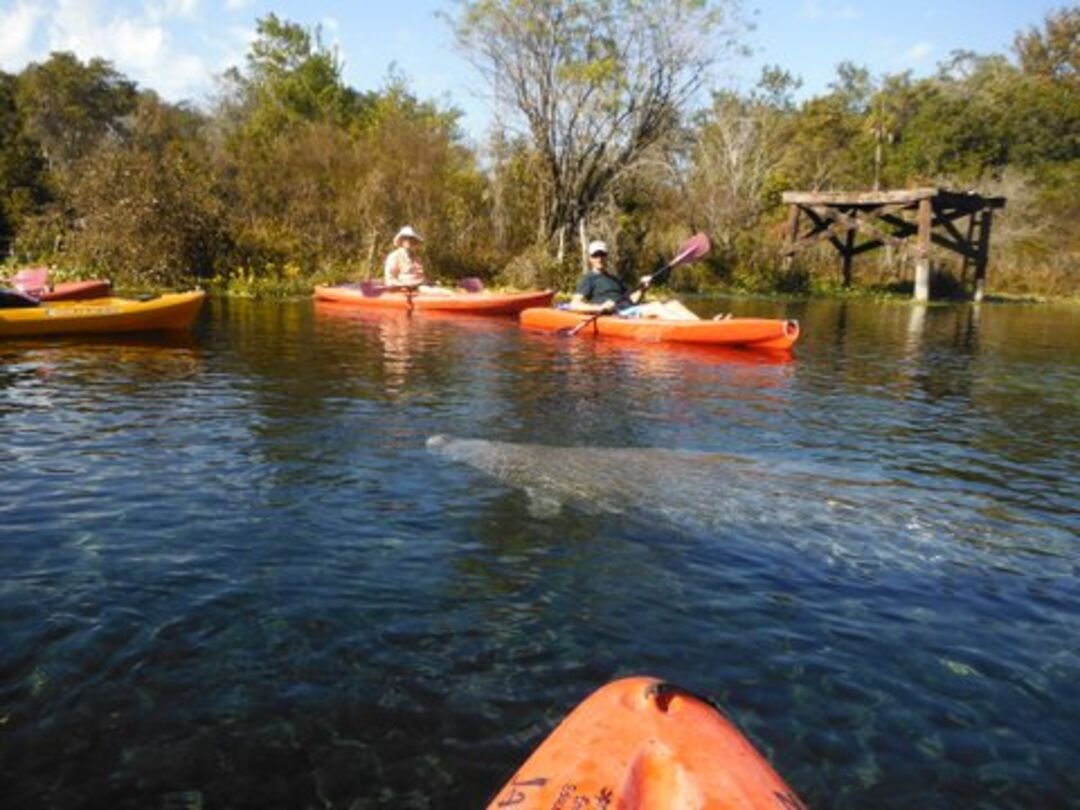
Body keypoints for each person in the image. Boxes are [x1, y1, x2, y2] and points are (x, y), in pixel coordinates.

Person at [568, 240, 700, 320]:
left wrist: (643, 288)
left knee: (674, 304)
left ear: (606, 256)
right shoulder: (589, 279)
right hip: (617, 314)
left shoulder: (614, 279)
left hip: (629, 310)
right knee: (656, 306)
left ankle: (702, 324)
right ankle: (694, 331)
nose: (599, 258)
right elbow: (574, 305)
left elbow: (632, 300)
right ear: (590, 258)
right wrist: (599, 307)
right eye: (595, 255)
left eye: (602, 255)